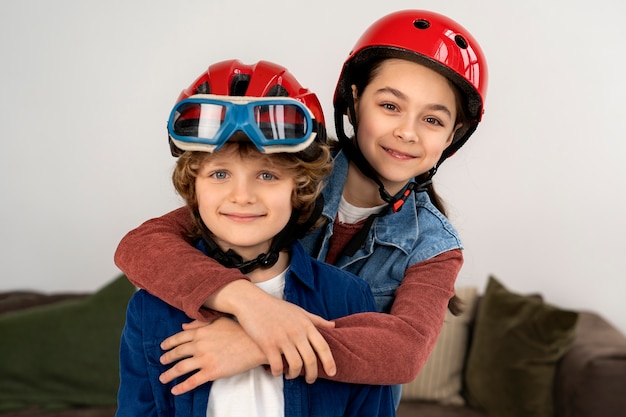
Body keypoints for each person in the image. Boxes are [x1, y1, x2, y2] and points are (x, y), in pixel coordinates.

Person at [114, 9, 488, 407]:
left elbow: (405, 352)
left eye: (432, 119)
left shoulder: (435, 247)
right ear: (355, 99)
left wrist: (260, 342)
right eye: (390, 106)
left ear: (454, 135)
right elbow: (142, 246)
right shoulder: (285, 168)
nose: (407, 132)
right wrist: (251, 305)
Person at [115, 59, 396, 417]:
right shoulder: (150, 309)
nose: (242, 196)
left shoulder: (347, 297)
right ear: (193, 187)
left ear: (299, 188)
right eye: (219, 174)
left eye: (267, 175)